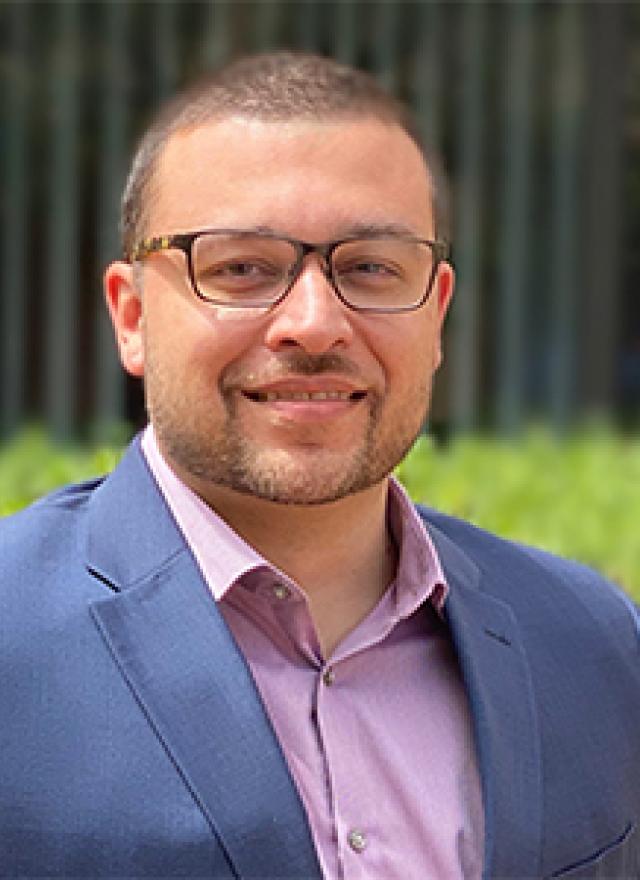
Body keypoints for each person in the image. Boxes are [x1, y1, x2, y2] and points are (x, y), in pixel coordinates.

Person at [1, 51, 638, 880]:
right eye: (240, 268)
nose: (313, 323)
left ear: (437, 313)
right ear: (131, 316)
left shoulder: (594, 642)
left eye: (371, 267)